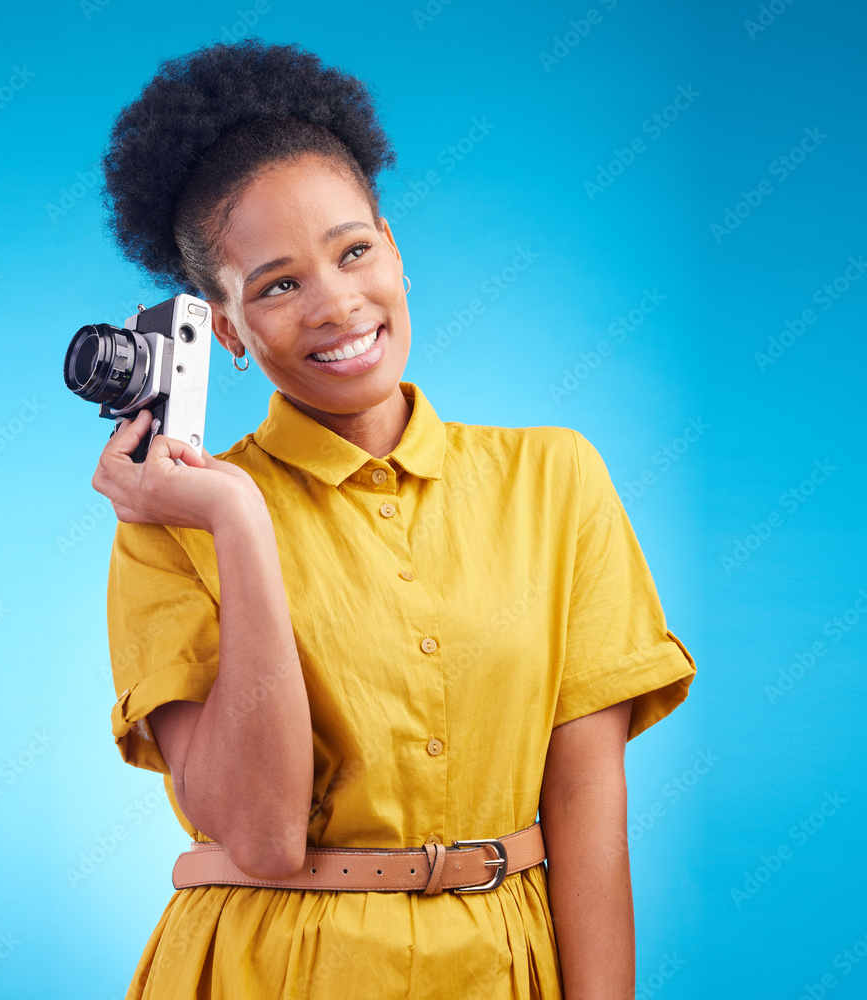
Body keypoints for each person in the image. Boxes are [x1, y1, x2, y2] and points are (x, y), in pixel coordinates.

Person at [90, 38, 697, 1000]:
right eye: (278, 284)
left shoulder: (557, 479)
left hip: (505, 964)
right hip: (269, 968)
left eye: (354, 251)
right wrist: (240, 523)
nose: (337, 305)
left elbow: (587, 812)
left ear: (394, 249)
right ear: (227, 326)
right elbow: (261, 834)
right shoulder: (176, 519)